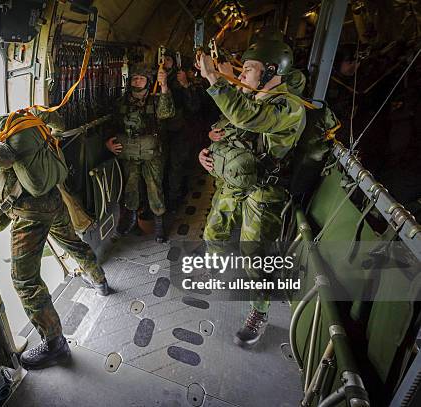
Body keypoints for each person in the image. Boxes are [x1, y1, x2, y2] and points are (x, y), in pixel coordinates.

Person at [0, 101, 109, 369]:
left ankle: (55, 343)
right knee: (72, 242)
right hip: (53, 198)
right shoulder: (7, 120)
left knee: (24, 280)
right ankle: (99, 281)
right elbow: (58, 122)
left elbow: (6, 157)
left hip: (29, 214)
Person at [197, 38, 306, 348]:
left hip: (265, 190)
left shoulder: (289, 107)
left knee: (255, 255)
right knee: (213, 233)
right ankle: (218, 271)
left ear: (271, 70)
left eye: (247, 70)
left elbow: (246, 118)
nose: (241, 75)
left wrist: (215, 79)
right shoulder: (253, 97)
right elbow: (229, 127)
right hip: (235, 182)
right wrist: (207, 152)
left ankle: (259, 310)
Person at [105, 63, 175, 242]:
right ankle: (131, 220)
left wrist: (164, 86)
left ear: (148, 81)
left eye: (141, 78)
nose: (137, 81)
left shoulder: (156, 99)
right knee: (131, 187)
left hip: (151, 153)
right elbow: (112, 125)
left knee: (154, 187)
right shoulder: (121, 102)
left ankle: (159, 224)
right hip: (128, 152)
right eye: (134, 78)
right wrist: (108, 143)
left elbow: (167, 114)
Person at [160, 49, 201, 210]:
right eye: (162, 59)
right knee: (161, 166)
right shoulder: (151, 78)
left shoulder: (180, 78)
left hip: (178, 128)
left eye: (168, 59)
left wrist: (185, 85)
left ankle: (174, 198)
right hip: (158, 130)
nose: (165, 62)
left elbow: (194, 106)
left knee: (177, 164)